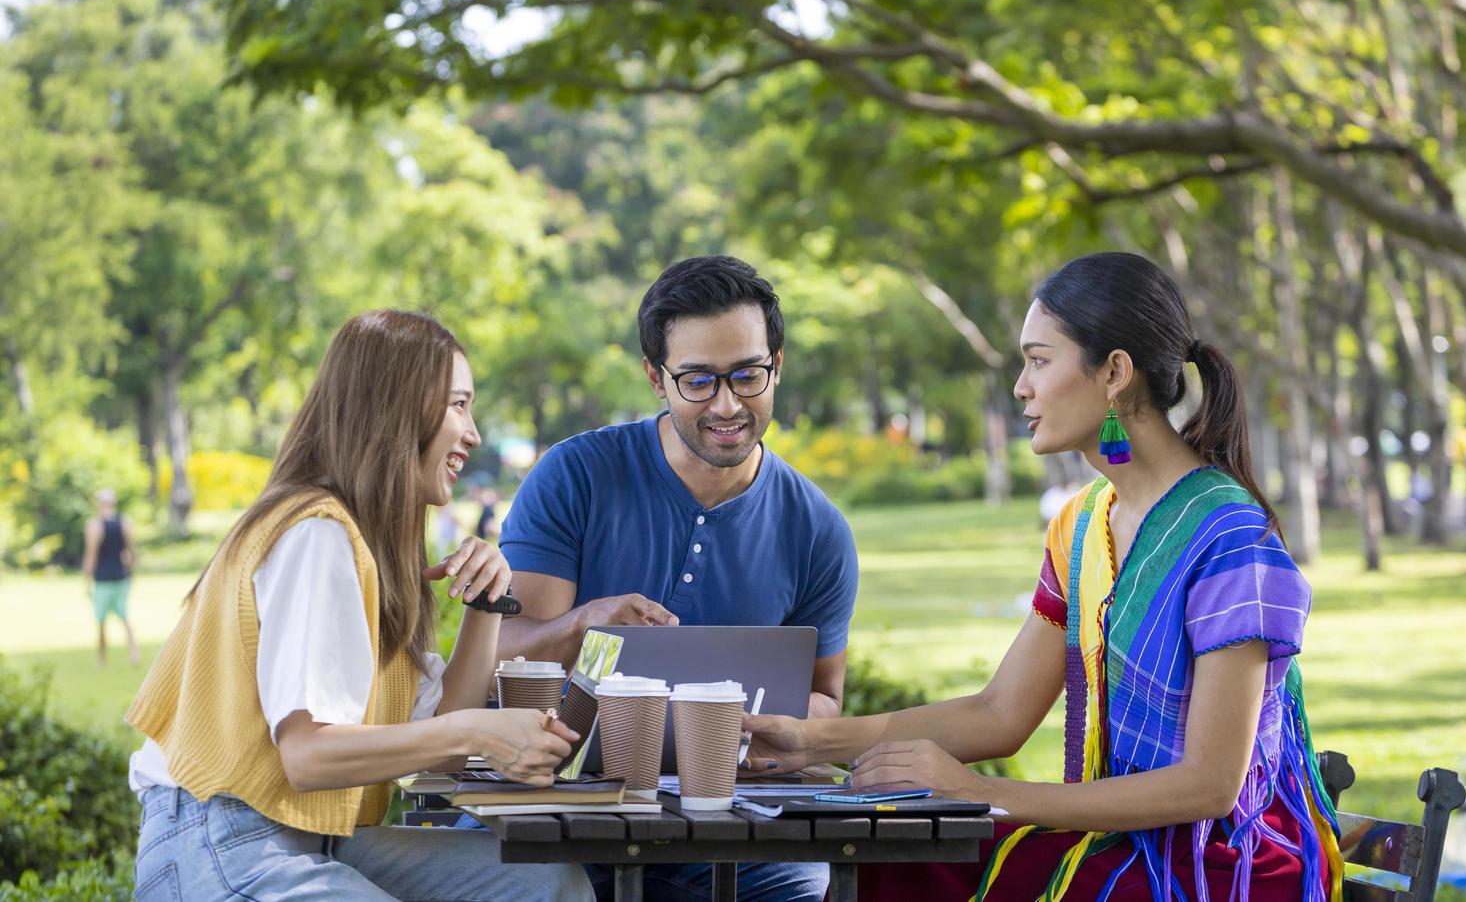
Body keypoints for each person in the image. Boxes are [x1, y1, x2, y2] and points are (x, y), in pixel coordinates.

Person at [746, 252, 1343, 901]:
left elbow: (1210, 785)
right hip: (1125, 846)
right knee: (901, 859)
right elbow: (999, 713)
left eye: (1039, 359)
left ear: (1114, 371)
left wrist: (979, 793)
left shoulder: (1228, 538)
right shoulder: (1083, 525)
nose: (1021, 387)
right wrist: (809, 740)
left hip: (1217, 863)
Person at [125, 310, 592, 902]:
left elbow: (442, 739)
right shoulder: (315, 532)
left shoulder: (367, 548)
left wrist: (487, 605)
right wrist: (480, 731)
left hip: (313, 835)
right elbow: (308, 756)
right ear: (396, 408)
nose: (473, 433)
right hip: (218, 842)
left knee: (548, 882)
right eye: (457, 405)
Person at [488, 255, 860, 902]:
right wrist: (582, 623)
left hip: (739, 838)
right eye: (697, 381)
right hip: (565, 822)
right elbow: (501, 660)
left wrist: (769, 734)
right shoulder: (574, 477)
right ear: (656, 379)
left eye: (748, 375)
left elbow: (825, 697)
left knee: (809, 880)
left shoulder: (818, 530)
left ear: (778, 364)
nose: (726, 404)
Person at [81, 487, 140, 666]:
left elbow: (91, 554)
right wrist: (131, 573)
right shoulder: (125, 523)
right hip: (121, 576)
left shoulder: (94, 525)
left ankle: (102, 658)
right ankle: (133, 653)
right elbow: (131, 552)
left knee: (101, 620)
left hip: (103, 578)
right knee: (124, 616)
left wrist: (86, 580)